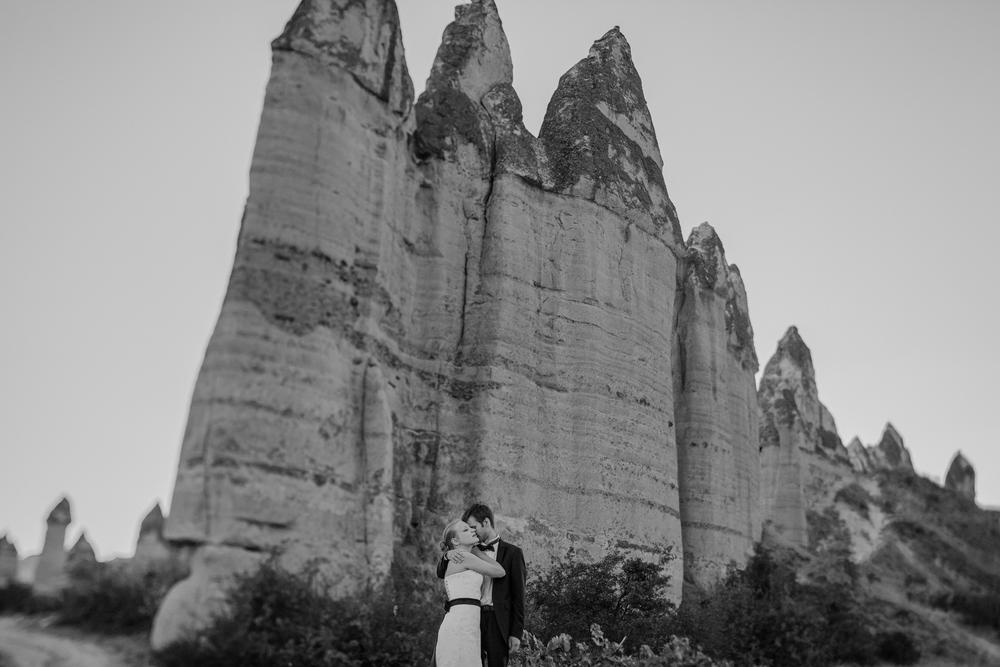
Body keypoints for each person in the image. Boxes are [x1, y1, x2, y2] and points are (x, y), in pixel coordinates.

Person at [437, 503, 527, 667]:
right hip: (471, 618)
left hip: (497, 621)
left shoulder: (513, 553)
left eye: (473, 527)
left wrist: (516, 633)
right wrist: (447, 554)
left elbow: (519, 597)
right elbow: (440, 572)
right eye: (467, 529)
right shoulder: (463, 552)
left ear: (486, 522)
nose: (472, 531)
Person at [434, 518, 506, 667]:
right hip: (461, 624)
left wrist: (450, 554)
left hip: (468, 622)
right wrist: (478, 552)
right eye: (465, 530)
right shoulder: (465, 557)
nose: (472, 530)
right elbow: (500, 571)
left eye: (470, 528)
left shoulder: (458, 556)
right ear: (455, 541)